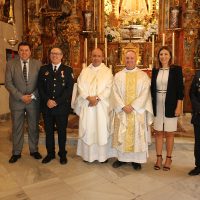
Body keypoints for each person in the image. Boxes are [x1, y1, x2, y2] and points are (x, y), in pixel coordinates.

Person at [109, 50, 153, 170]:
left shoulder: (143, 76)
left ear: (136, 59)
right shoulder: (118, 76)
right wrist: (123, 106)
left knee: (136, 136)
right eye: (127, 58)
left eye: (132, 58)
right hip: (122, 111)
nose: (129, 60)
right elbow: (114, 93)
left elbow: (145, 93)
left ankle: (136, 160)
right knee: (121, 135)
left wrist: (133, 106)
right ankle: (121, 158)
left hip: (136, 112)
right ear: (124, 59)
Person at [5, 41, 42, 163]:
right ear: (18, 52)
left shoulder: (38, 64)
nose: (24, 52)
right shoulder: (11, 64)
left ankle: (34, 150)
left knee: (33, 127)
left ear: (30, 52)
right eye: (21, 50)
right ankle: (16, 152)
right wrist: (21, 97)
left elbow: (41, 84)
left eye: (26, 50)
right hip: (17, 101)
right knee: (17, 127)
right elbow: (8, 83)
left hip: (33, 101)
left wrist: (31, 96)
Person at [74, 48, 113, 163]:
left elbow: (109, 88)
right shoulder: (85, 71)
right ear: (91, 57)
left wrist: (96, 98)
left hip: (101, 106)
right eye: (94, 56)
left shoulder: (107, 71)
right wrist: (88, 98)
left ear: (102, 57)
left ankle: (102, 156)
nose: (96, 58)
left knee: (101, 130)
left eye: (98, 56)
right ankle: (88, 156)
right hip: (87, 105)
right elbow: (80, 85)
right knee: (88, 128)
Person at [38, 47, 74, 164]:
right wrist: (47, 100)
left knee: (62, 132)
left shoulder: (67, 70)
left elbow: (69, 90)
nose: (55, 55)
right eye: (52, 53)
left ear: (62, 56)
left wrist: (57, 101)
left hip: (61, 107)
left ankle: (62, 154)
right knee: (49, 132)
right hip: (47, 107)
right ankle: (50, 154)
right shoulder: (43, 69)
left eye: (57, 54)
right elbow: (40, 87)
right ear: (50, 55)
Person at [151, 46, 184, 171]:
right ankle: (159, 158)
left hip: (171, 103)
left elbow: (180, 89)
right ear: (158, 57)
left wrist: (179, 105)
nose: (163, 57)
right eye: (161, 54)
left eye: (165, 54)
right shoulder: (155, 70)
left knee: (170, 133)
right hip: (158, 104)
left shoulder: (176, 70)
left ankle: (168, 158)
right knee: (158, 132)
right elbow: (152, 89)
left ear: (170, 56)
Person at [188, 70, 200, 176]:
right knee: (198, 142)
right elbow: (192, 93)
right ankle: (198, 166)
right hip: (199, 115)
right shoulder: (198, 74)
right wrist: (198, 108)